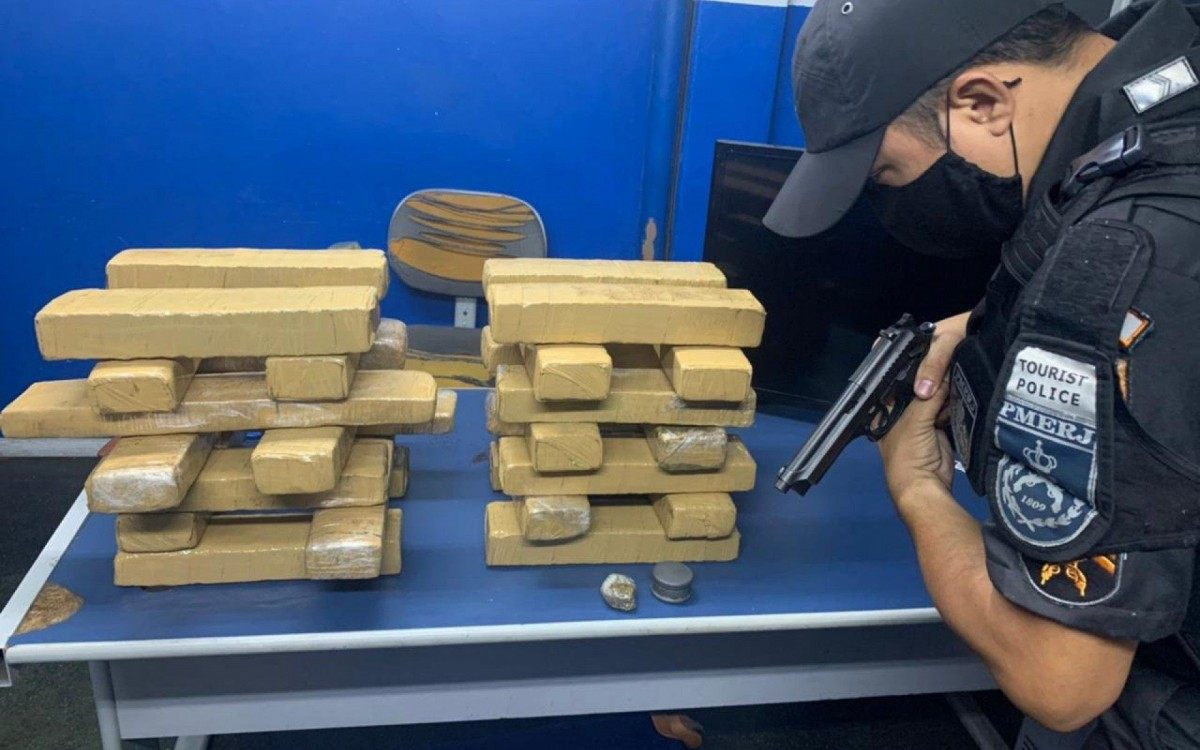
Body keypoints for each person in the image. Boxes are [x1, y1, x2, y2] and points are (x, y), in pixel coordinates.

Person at [765, 1, 1200, 746]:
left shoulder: (1116, 263)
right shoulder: (1169, 75)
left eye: (886, 174)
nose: (889, 203)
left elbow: (1061, 680)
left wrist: (916, 486)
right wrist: (990, 321)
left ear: (983, 104)